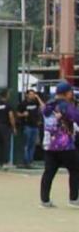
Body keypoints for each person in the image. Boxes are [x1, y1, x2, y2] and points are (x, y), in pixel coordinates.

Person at [38, 81, 79, 209]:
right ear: (67, 93)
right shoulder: (66, 106)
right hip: (65, 145)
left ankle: (45, 200)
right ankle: (73, 199)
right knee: (75, 170)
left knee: (49, 172)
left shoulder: (48, 105)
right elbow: (76, 118)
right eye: (70, 92)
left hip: (50, 145)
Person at [16, 87, 44, 168]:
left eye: (33, 94)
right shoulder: (23, 104)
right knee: (27, 144)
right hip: (27, 126)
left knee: (33, 145)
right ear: (27, 95)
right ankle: (26, 161)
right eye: (30, 94)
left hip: (35, 126)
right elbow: (17, 113)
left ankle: (30, 161)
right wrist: (23, 114)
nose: (32, 96)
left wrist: (38, 97)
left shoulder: (35, 102)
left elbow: (43, 106)